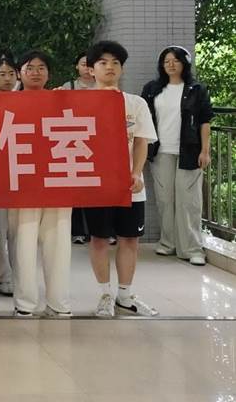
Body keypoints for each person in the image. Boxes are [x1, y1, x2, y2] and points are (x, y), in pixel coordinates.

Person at [85, 40, 159, 317]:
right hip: (95, 184)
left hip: (129, 185)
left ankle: (125, 295)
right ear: (91, 69)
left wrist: (136, 172)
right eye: (103, 62)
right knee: (99, 239)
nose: (110, 67)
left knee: (129, 239)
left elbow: (141, 141)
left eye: (116, 63)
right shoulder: (80, 102)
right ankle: (105, 294)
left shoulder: (135, 103)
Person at [6, 51, 72, 318]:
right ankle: (25, 303)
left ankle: (58, 303)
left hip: (58, 179)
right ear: (19, 73)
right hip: (22, 181)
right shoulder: (6, 101)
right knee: (22, 244)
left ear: (49, 73)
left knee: (59, 244)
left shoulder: (61, 100)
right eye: (29, 67)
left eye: (41, 67)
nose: (35, 72)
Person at [141, 45, 213, 266]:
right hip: (160, 151)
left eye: (176, 60)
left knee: (189, 201)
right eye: (166, 61)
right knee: (165, 199)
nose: (171, 65)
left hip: (189, 152)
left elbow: (205, 121)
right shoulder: (152, 89)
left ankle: (192, 249)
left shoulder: (196, 89)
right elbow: (142, 119)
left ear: (185, 63)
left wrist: (205, 151)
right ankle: (168, 243)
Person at [0, 55, 18, 296]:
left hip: (21, 173)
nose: (7, 79)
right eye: (2, 74)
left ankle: (19, 276)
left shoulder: (26, 100)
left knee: (18, 231)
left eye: (11, 74)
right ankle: (2, 276)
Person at [58, 53, 93, 244]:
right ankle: (77, 231)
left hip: (96, 141)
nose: (87, 68)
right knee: (76, 188)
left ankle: (101, 230)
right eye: (83, 64)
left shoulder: (103, 87)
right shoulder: (68, 86)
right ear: (77, 67)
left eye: (90, 64)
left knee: (96, 188)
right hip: (73, 141)